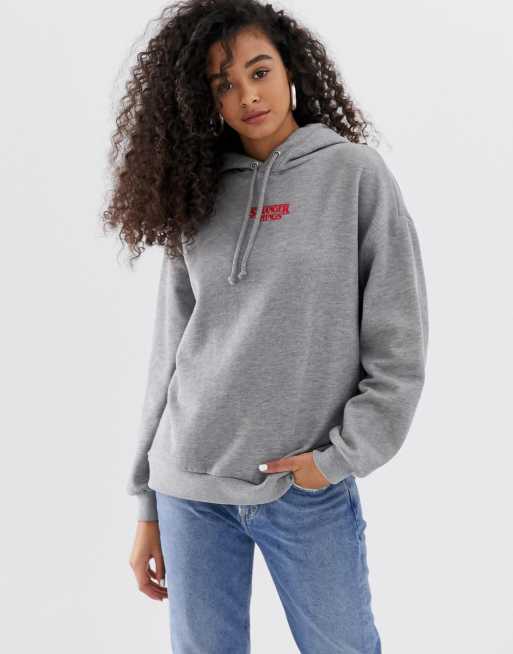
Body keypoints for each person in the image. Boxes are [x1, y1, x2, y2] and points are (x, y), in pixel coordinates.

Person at [103, 1, 429, 651]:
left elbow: (398, 343)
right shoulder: (196, 191)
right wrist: (147, 503)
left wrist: (337, 459)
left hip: (304, 489)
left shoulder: (353, 176)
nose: (247, 95)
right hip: (189, 488)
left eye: (259, 71)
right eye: (223, 84)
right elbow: (170, 352)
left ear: (290, 70)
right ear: (205, 100)